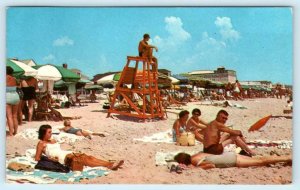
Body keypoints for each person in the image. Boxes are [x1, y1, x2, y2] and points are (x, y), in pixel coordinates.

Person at [35, 124, 124, 170]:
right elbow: (37, 158)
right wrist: (50, 159)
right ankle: (109, 165)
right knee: (84, 160)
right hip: (60, 159)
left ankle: (108, 163)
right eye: (49, 132)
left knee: (88, 157)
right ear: (43, 133)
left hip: (65, 153)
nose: (51, 133)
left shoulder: (53, 140)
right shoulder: (41, 144)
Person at [174, 152, 292, 169]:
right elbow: (212, 156)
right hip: (230, 155)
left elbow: (211, 165)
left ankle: (287, 158)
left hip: (233, 160)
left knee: (261, 162)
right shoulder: (197, 155)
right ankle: (284, 159)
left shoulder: (195, 162)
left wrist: (196, 169)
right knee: (260, 159)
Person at [6, 66, 20, 136]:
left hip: (7, 96)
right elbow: (18, 86)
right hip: (15, 96)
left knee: (9, 116)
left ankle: (11, 133)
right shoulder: (14, 78)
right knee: (14, 116)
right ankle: (15, 131)